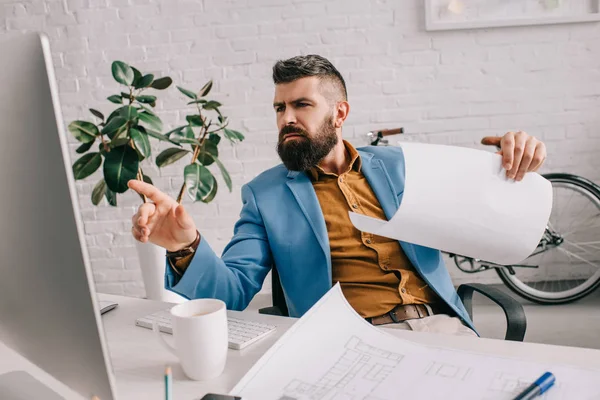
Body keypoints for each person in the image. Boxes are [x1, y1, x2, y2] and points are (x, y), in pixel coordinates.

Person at [128, 55, 546, 337]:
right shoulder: (265, 196)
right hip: (346, 340)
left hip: (440, 328)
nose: (286, 118)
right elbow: (232, 292)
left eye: (301, 105)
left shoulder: (404, 166)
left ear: (339, 113)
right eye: (279, 108)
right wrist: (186, 246)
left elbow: (489, 219)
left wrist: (511, 163)